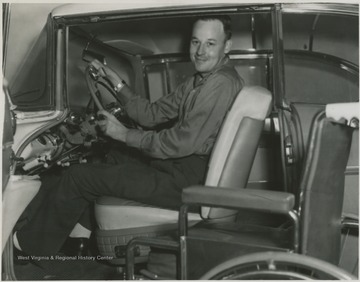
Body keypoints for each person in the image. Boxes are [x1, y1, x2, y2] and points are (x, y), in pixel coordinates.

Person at [14, 15, 244, 257]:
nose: (200, 51)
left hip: (187, 182)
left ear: (226, 46)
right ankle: (81, 238)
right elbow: (152, 114)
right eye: (196, 42)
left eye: (210, 44)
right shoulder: (200, 81)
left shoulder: (220, 83)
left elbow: (180, 143)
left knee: (78, 176)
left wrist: (123, 133)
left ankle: (27, 247)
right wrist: (116, 83)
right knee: (112, 156)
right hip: (183, 169)